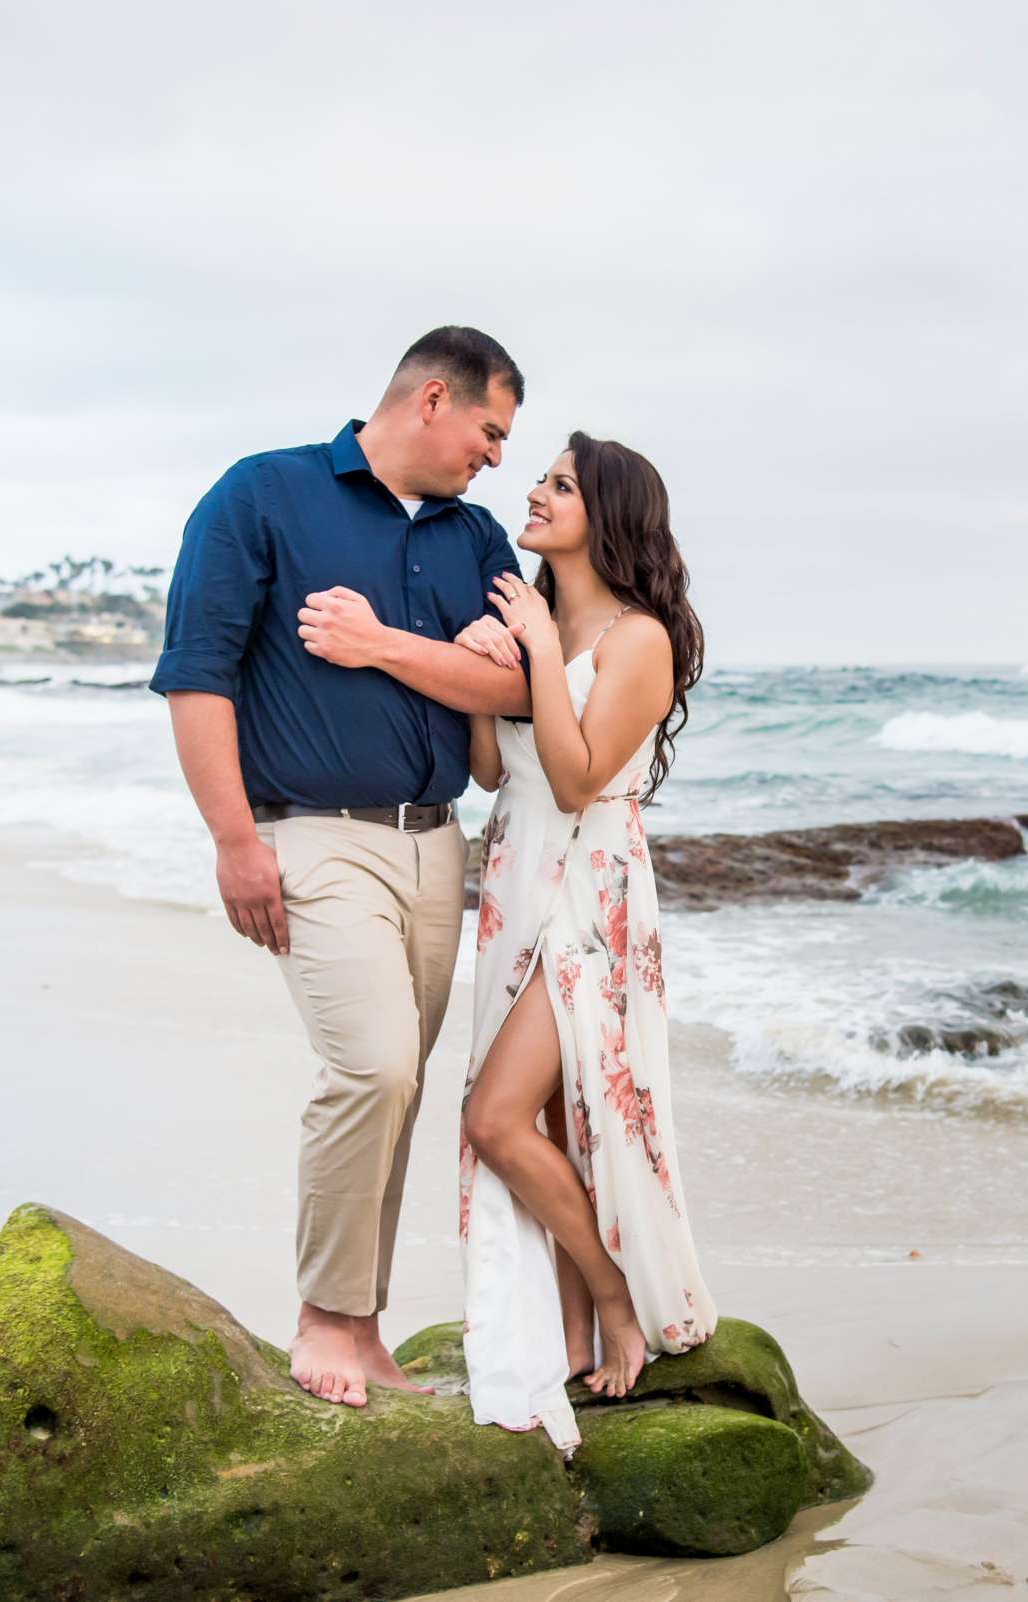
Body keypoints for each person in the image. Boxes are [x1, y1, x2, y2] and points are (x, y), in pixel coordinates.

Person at [151, 327, 534, 1409]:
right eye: (491, 431)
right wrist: (234, 841)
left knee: (400, 1093)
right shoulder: (262, 494)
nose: (496, 457)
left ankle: (362, 1326)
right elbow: (197, 675)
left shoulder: (479, 537)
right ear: (432, 397)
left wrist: (414, 651)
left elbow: (520, 692)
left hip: (436, 844)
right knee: (369, 1070)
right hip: (311, 834)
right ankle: (322, 1316)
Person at [449, 431, 715, 1450]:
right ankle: (563, 1323)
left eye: (559, 483)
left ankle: (610, 1296)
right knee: (548, 1124)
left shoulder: (638, 637)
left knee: (497, 1120)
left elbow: (577, 776)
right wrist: (490, 659)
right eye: (542, 479)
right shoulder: (535, 617)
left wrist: (532, 651)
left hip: (587, 890)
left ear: (607, 513)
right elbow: (491, 767)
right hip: (515, 873)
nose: (536, 491)